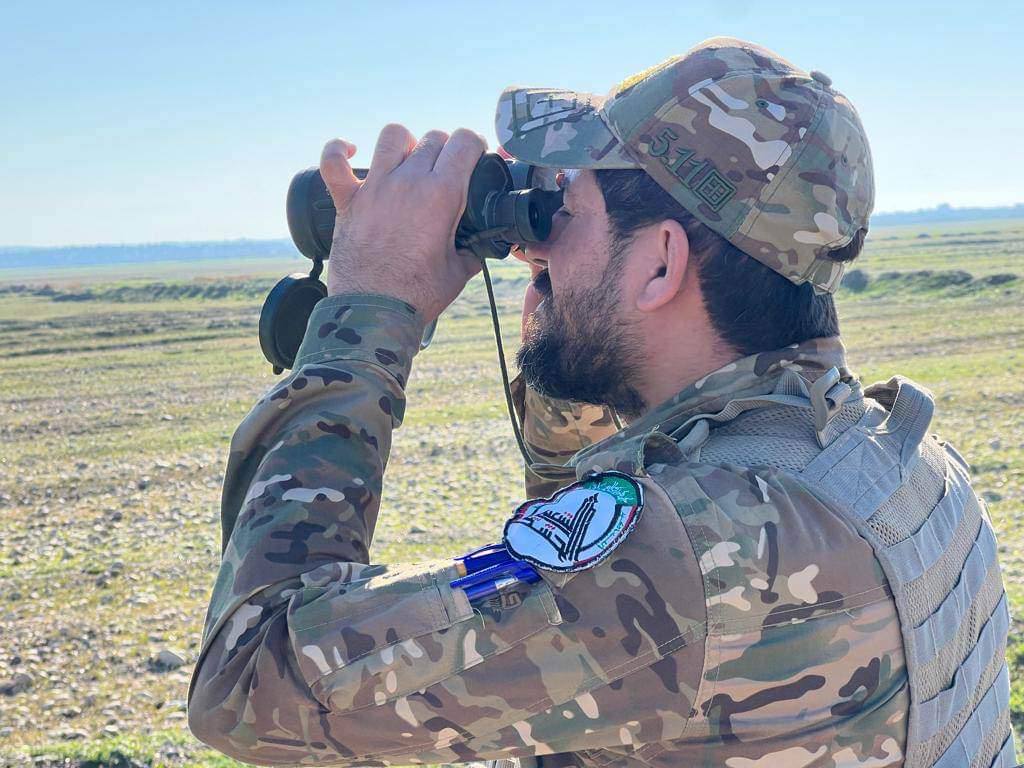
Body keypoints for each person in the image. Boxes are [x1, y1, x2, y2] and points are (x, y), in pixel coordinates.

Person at [187, 37, 1014, 768]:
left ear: (660, 263)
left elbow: (248, 682)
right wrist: (573, 339)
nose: (536, 243)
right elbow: (587, 530)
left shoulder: (684, 556)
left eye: (567, 211)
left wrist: (368, 311)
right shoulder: (902, 460)